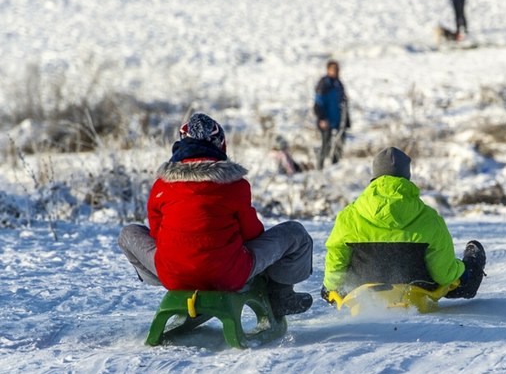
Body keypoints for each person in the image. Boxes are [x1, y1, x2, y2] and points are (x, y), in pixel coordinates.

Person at [117, 113, 314, 319]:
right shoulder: (235, 184)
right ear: (221, 145)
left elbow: (157, 234)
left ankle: (176, 283)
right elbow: (252, 233)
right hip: (227, 275)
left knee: (128, 233)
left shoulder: (162, 185)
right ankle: (281, 297)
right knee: (295, 233)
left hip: (172, 275)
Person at [321, 147, 486, 302]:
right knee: (462, 273)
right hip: (416, 294)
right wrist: (460, 270)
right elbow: (444, 275)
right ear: (407, 177)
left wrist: (330, 287)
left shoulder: (349, 216)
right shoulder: (429, 218)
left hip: (362, 297)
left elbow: (336, 261)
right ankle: (471, 264)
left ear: (374, 177)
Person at [314, 60, 350, 170]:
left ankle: (335, 167)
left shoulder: (339, 84)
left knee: (339, 145)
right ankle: (320, 168)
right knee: (326, 145)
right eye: (334, 69)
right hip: (326, 120)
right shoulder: (324, 84)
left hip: (338, 121)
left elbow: (344, 103)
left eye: (337, 69)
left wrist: (347, 120)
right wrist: (322, 118)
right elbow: (318, 103)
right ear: (328, 70)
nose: (336, 71)